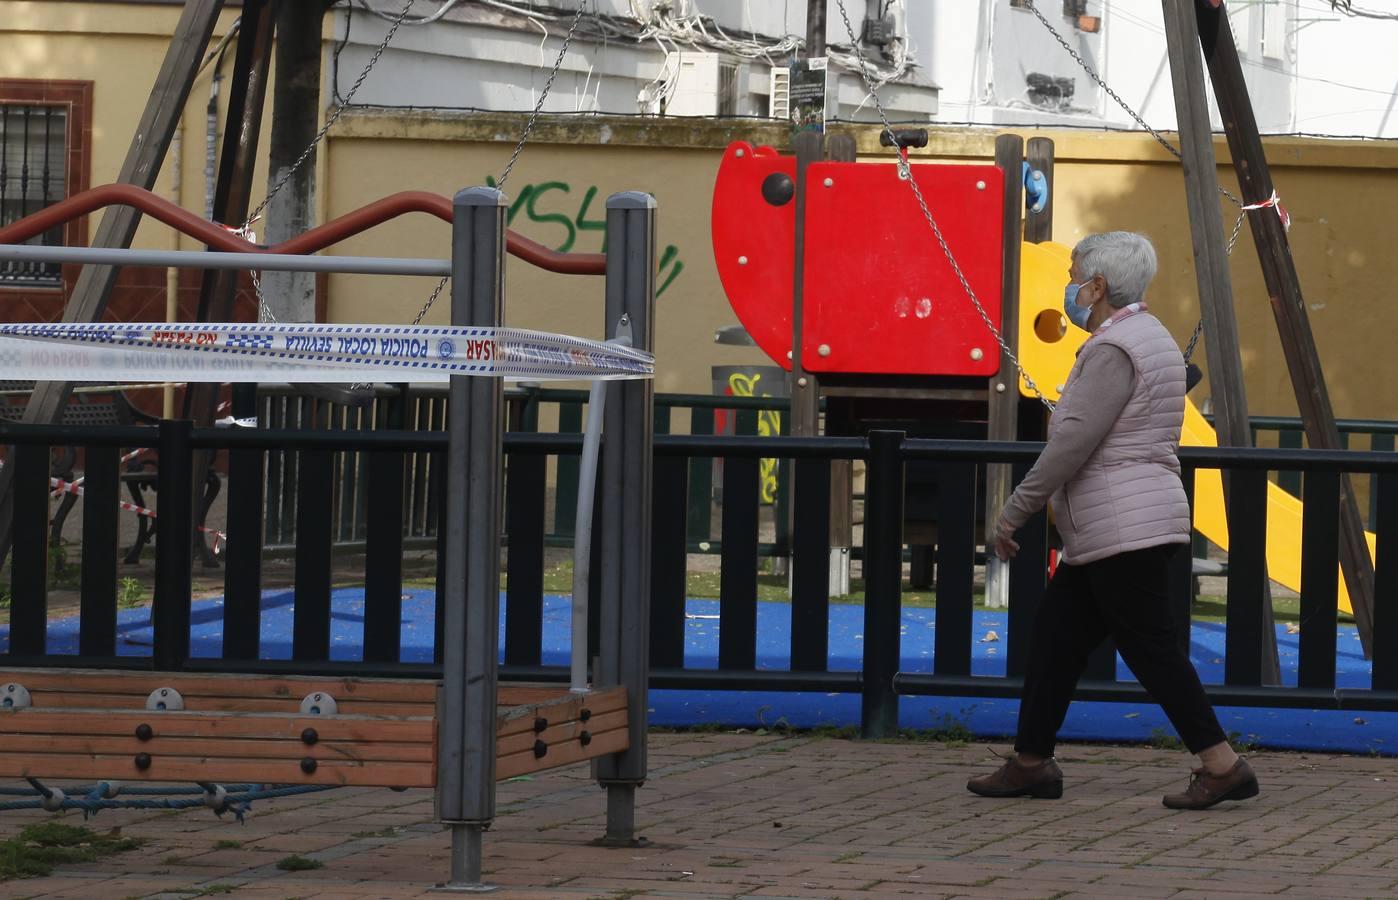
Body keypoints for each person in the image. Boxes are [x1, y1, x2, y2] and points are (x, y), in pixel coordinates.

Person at [967, 231, 1259, 811]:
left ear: (1097, 286)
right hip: (1127, 519)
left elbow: (1073, 441)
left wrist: (1015, 509)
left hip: (1120, 522)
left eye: (1074, 276)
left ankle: (1222, 765)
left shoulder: (1111, 349)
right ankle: (1031, 762)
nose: (1069, 287)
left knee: (1151, 650)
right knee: (1056, 642)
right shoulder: (1149, 337)